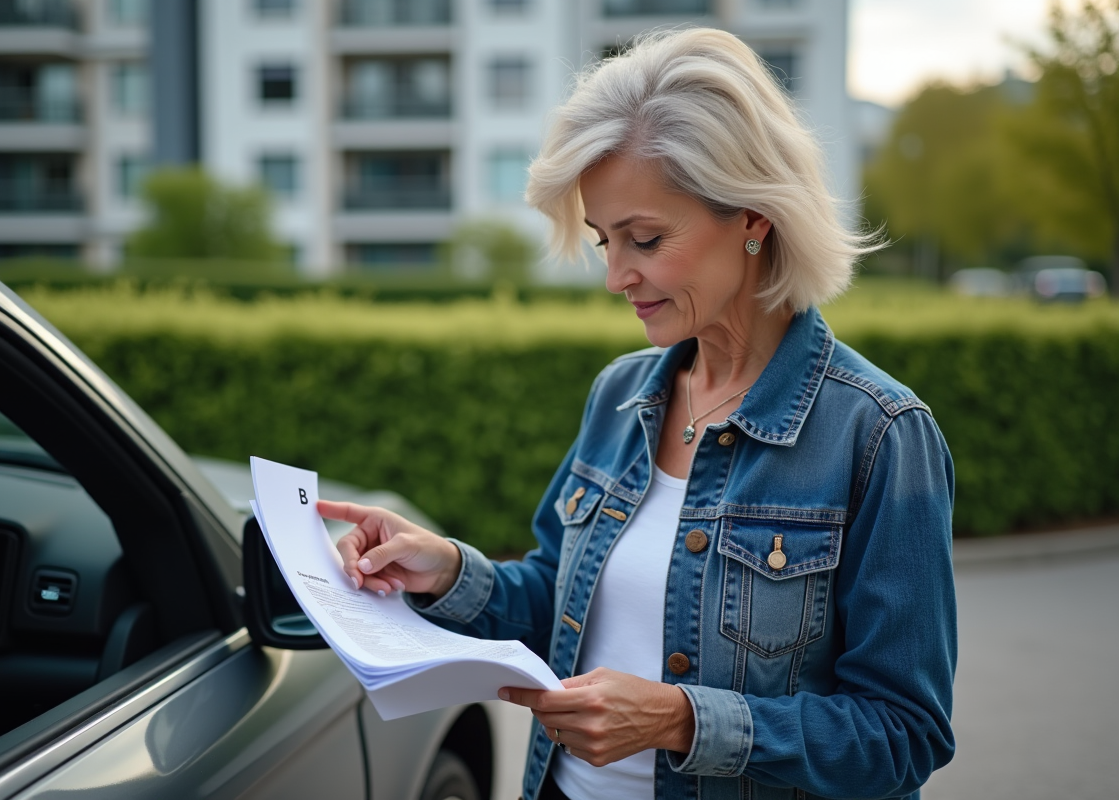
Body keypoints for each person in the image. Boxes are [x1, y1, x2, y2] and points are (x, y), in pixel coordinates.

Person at [317, 28, 956, 800]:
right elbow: (558, 597)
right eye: (603, 241)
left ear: (753, 217)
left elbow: (903, 735)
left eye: (645, 239)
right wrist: (448, 569)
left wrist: (681, 720)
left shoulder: (878, 434)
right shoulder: (620, 395)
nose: (617, 275)